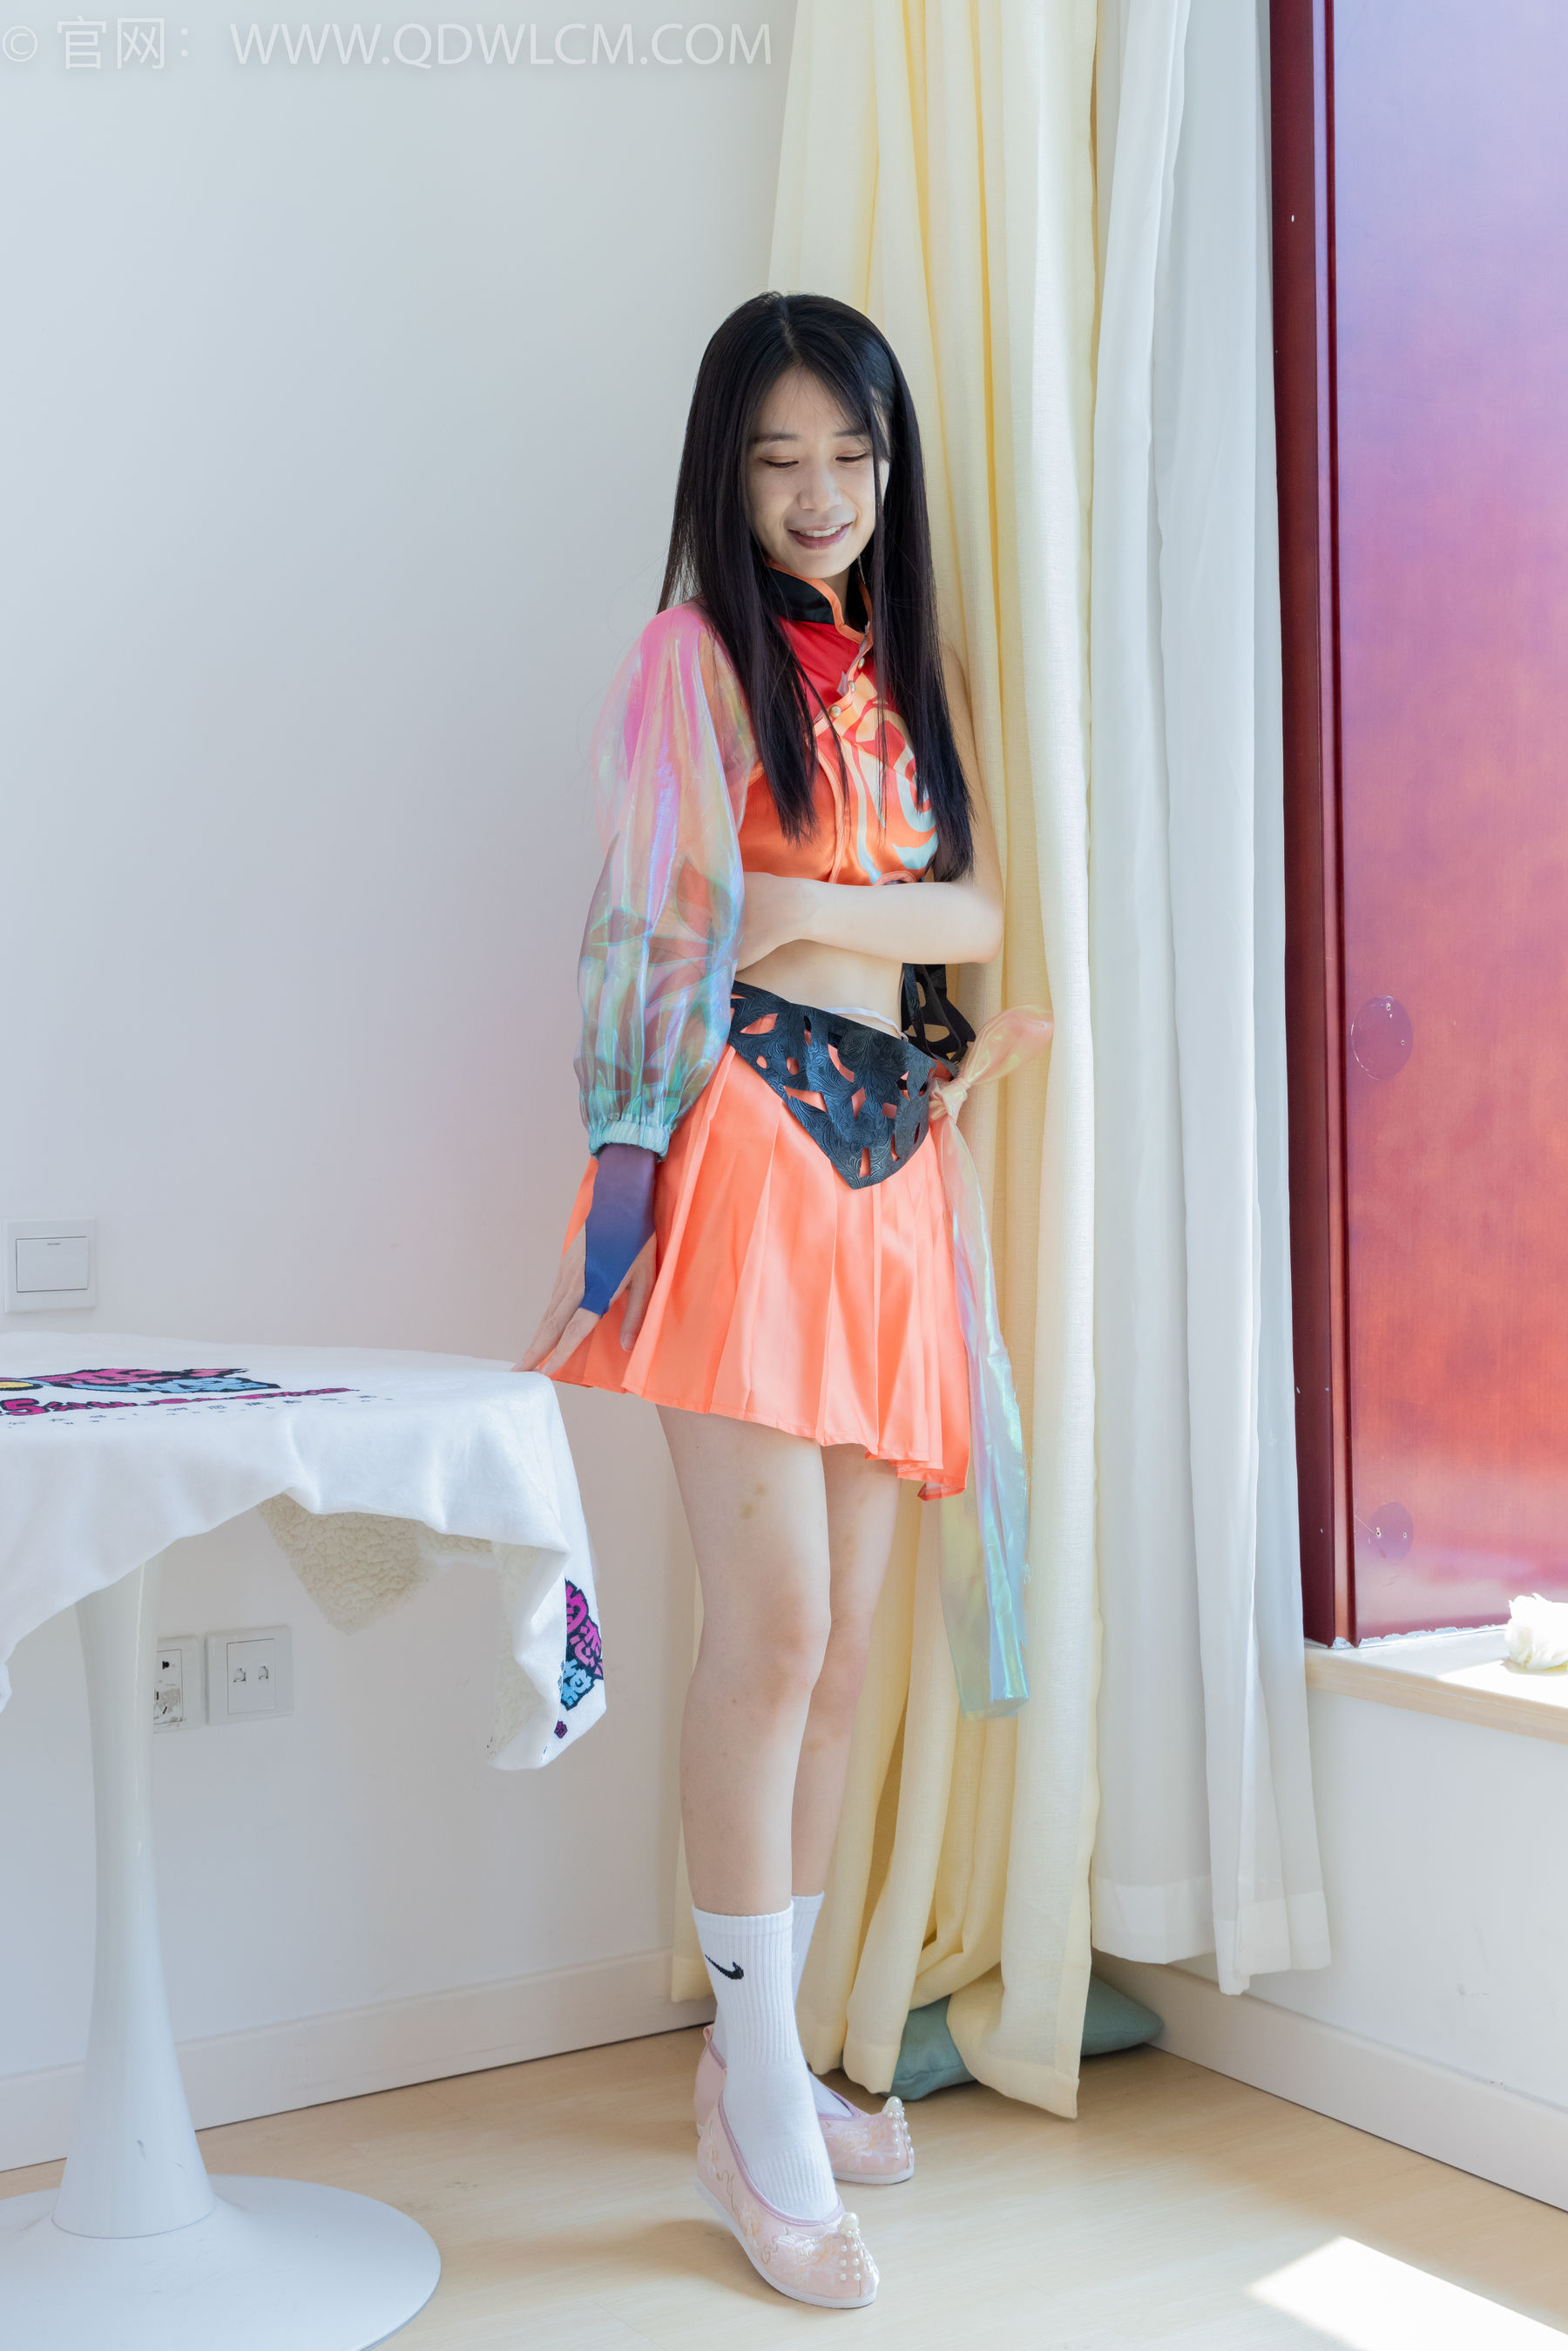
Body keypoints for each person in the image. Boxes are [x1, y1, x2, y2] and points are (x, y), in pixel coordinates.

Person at [520, 291, 1031, 2311]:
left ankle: (766, 2070)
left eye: (852, 456)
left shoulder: (917, 669)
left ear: (891, 468)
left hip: (895, 1168)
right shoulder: (693, 658)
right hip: (743, 1140)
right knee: (778, 1630)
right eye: (778, 459)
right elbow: (652, 927)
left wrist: (802, 900)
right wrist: (622, 1171)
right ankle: (753, 2096)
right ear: (724, 476)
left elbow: (978, 913)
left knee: (846, 1655)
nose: (821, 494)